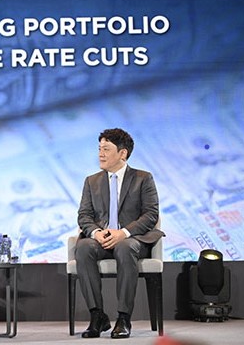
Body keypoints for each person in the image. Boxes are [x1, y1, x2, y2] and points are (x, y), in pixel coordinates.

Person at [76, 128, 164, 339]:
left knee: (124, 247)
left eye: (106, 149)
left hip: (132, 240)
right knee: (83, 247)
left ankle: (124, 318)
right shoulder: (91, 181)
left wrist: (123, 233)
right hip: (102, 240)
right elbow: (84, 215)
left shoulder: (143, 178)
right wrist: (96, 232)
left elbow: (151, 214)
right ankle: (97, 316)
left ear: (122, 153)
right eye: (99, 149)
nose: (100, 154)